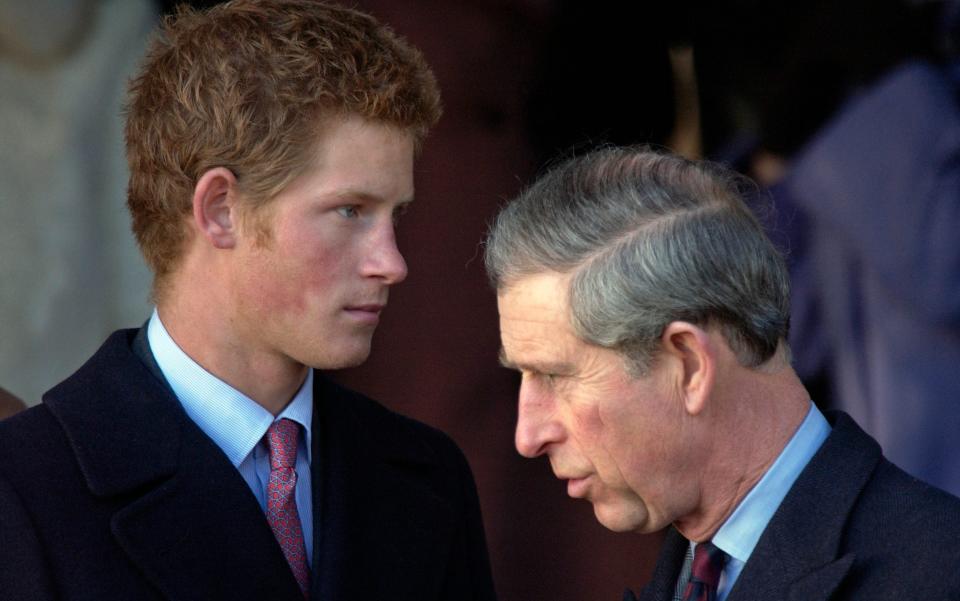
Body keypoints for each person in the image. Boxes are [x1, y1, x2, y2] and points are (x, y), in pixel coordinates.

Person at [0, 2, 496, 600]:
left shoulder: (428, 477)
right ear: (220, 210)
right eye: (350, 211)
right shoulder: (24, 489)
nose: (392, 263)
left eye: (396, 216)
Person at [485, 147, 960, 600]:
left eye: (555, 375)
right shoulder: (685, 573)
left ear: (689, 365)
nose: (528, 436)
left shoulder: (938, 573)